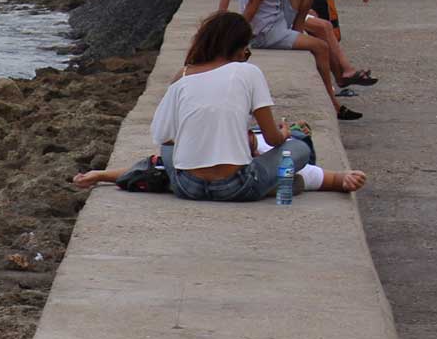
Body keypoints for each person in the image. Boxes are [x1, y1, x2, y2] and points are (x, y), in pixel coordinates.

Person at [93, 11, 367, 200]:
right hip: (236, 187)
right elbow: (272, 137)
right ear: (239, 49)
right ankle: (293, 180)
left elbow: (165, 138)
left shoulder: (184, 75)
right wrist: (284, 132)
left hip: (187, 187)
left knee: (169, 150)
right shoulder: (248, 73)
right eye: (247, 51)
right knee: (298, 146)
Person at [241, 0, 373, 120]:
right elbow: (252, 4)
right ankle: (333, 104)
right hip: (265, 32)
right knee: (320, 47)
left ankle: (297, 30)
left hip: (277, 19)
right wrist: (239, 38)